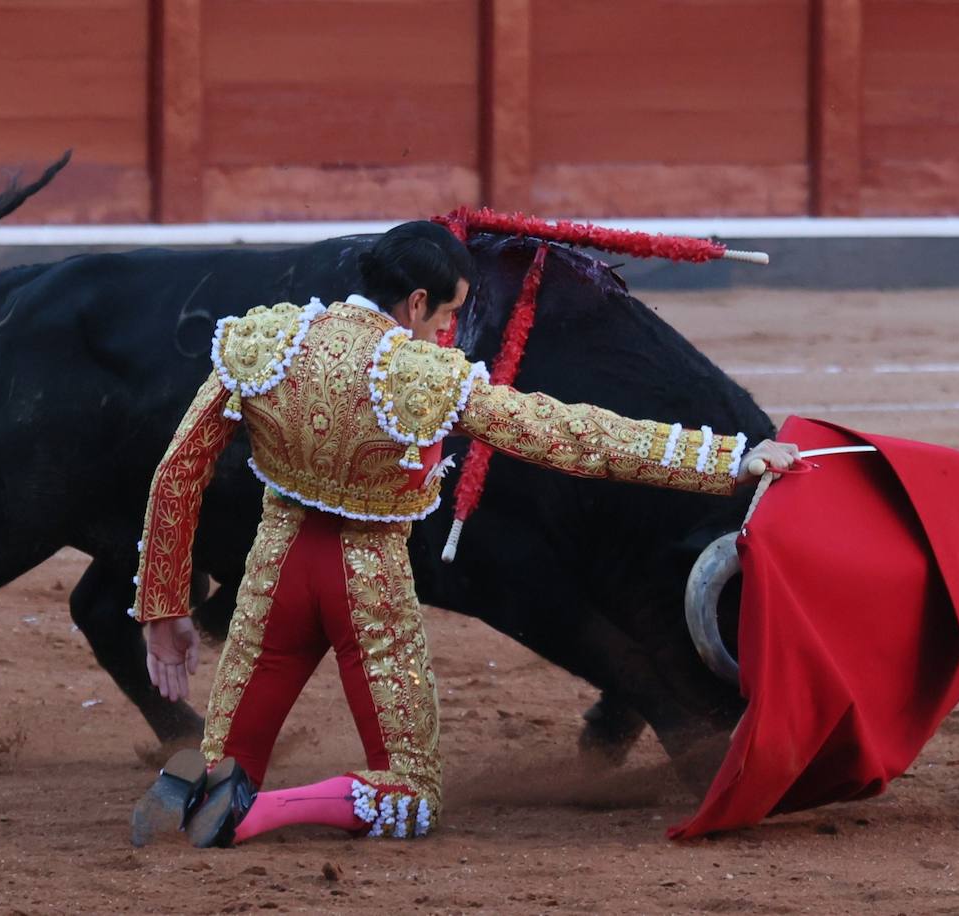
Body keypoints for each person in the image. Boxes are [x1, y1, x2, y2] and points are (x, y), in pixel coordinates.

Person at [128, 220, 798, 848]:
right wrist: (727, 461)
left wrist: (164, 608)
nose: (447, 329)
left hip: (274, 575)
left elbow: (177, 473)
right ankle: (250, 816)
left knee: (232, 758)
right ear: (416, 303)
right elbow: (571, 436)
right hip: (365, 587)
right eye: (448, 314)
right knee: (410, 794)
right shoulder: (424, 378)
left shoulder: (261, 341)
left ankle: (206, 778)